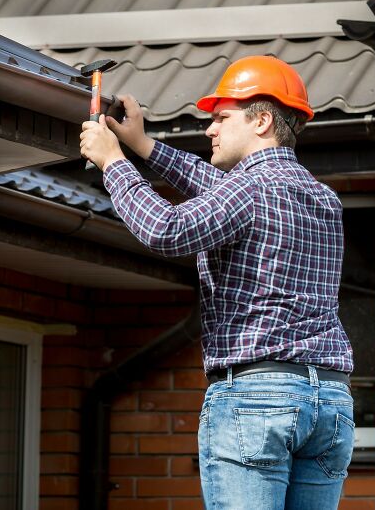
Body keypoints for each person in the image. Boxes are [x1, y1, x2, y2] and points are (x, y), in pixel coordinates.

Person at [80, 55, 355, 509]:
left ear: (262, 120)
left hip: (258, 399)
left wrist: (114, 162)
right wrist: (144, 146)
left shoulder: (248, 190)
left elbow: (166, 229)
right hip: (330, 401)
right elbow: (216, 187)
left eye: (221, 118)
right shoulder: (323, 197)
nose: (210, 129)